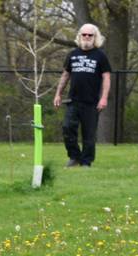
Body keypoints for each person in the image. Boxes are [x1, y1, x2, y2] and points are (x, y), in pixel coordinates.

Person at [53, 23, 111, 167]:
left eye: (89, 35)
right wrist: (58, 94)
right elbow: (65, 75)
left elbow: (107, 78)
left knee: (89, 135)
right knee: (67, 128)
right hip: (73, 101)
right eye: (83, 34)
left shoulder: (100, 56)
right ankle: (74, 157)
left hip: (91, 102)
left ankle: (86, 162)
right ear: (79, 36)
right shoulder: (72, 54)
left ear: (95, 37)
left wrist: (104, 98)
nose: (86, 37)